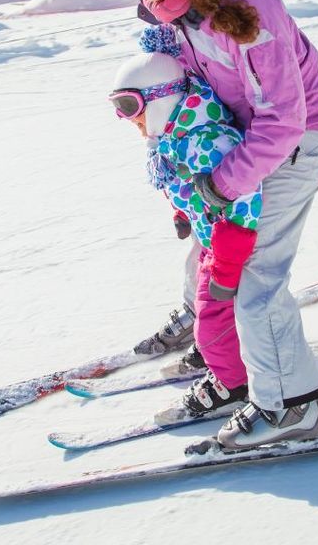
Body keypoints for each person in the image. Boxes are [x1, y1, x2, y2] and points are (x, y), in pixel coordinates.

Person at [108, 0, 318, 450]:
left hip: (302, 137)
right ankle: (232, 364)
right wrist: (193, 186)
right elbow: (198, 99)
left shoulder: (248, 6)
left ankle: (293, 407)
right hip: (250, 135)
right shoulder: (174, 12)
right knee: (211, 247)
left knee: (254, 278)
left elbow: (284, 119)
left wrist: (225, 184)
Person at [109, 33, 261, 418]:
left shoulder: (207, 142)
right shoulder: (177, 138)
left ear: (163, 97)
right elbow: (184, 186)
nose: (131, 121)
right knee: (203, 300)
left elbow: (245, 201)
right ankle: (222, 352)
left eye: (132, 107)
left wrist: (227, 259)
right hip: (214, 242)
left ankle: (233, 385)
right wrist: (183, 213)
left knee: (213, 315)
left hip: (233, 249)